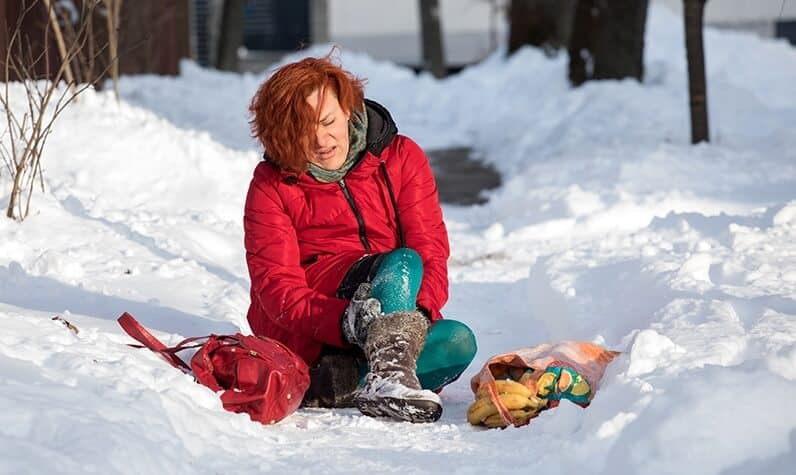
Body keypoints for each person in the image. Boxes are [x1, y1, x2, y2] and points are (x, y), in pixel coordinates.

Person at [244, 53, 477, 423]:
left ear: (348, 108)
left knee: (458, 341)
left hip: (393, 302)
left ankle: (342, 384)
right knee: (402, 261)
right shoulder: (270, 186)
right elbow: (277, 290)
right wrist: (348, 321)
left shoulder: (402, 158)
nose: (321, 139)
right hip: (314, 329)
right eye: (304, 129)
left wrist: (407, 323)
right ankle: (383, 378)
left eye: (327, 121)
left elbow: (431, 249)